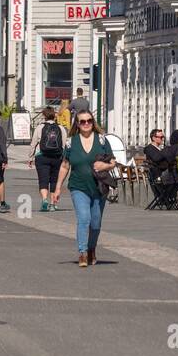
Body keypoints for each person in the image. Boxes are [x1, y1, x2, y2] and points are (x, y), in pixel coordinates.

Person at [52, 111, 117, 266]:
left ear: (93, 122)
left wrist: (105, 165)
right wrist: (57, 188)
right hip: (78, 186)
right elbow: (64, 166)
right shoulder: (71, 142)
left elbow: (113, 162)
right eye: (82, 122)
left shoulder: (102, 141)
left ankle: (91, 249)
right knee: (84, 218)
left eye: (89, 120)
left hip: (99, 187)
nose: (86, 124)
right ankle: (82, 253)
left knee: (95, 223)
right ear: (77, 124)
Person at [29, 106, 63, 211]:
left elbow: (33, 143)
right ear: (54, 115)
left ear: (44, 116)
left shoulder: (40, 128)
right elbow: (65, 144)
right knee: (54, 181)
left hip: (42, 156)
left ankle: (44, 199)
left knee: (43, 180)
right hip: (57, 157)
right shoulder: (60, 128)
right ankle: (52, 204)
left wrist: (30, 157)